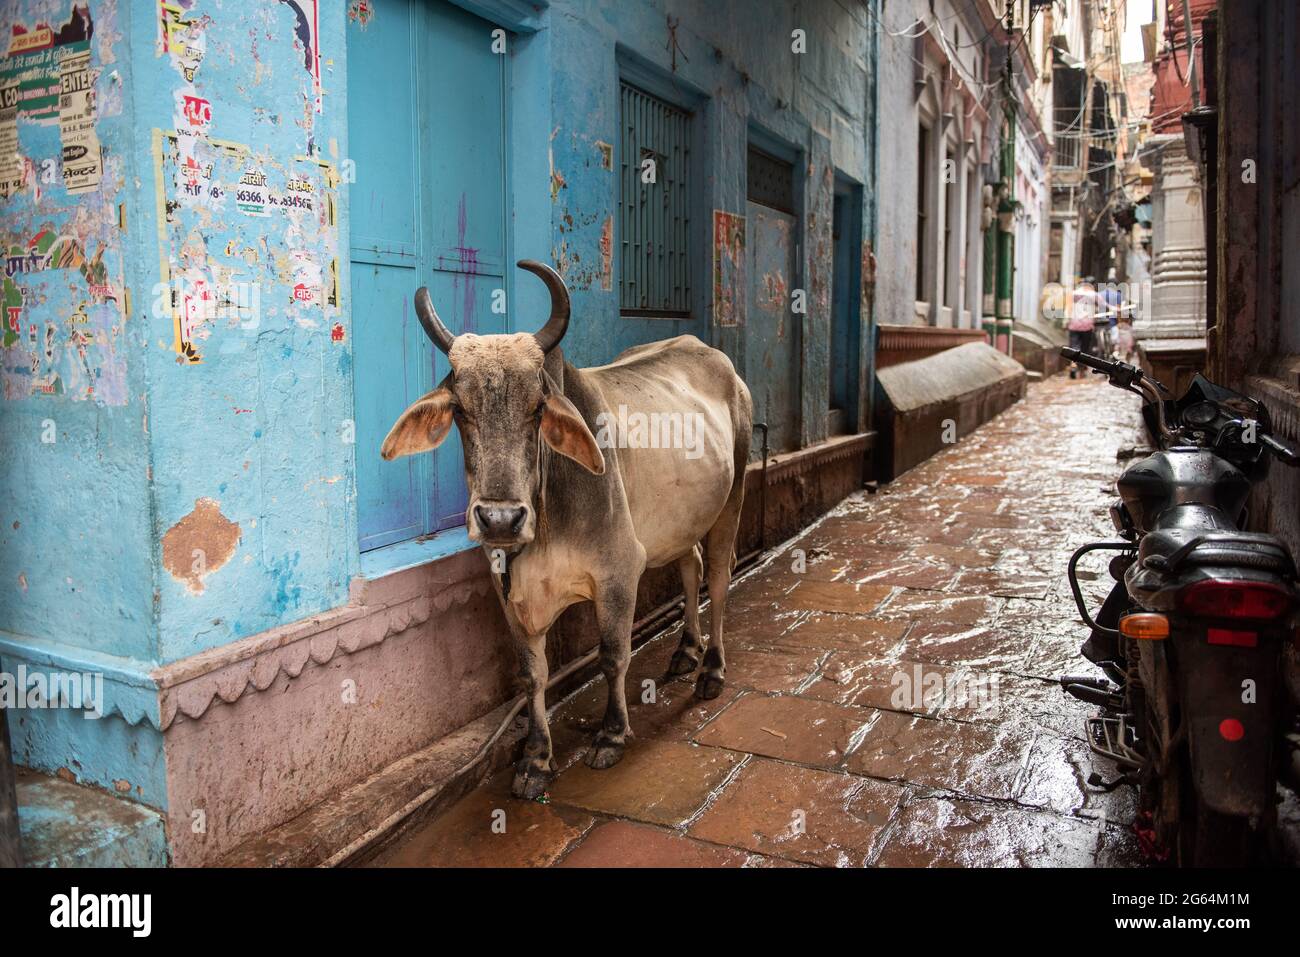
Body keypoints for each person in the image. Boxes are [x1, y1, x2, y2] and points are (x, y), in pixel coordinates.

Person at [1067, 278, 1098, 379]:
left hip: (1074, 324)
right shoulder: (1092, 294)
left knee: (1074, 346)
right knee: (1084, 348)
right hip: (1087, 325)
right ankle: (1082, 370)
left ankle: (1073, 364)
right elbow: (1099, 307)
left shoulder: (1073, 294)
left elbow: (1069, 309)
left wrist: (1067, 321)